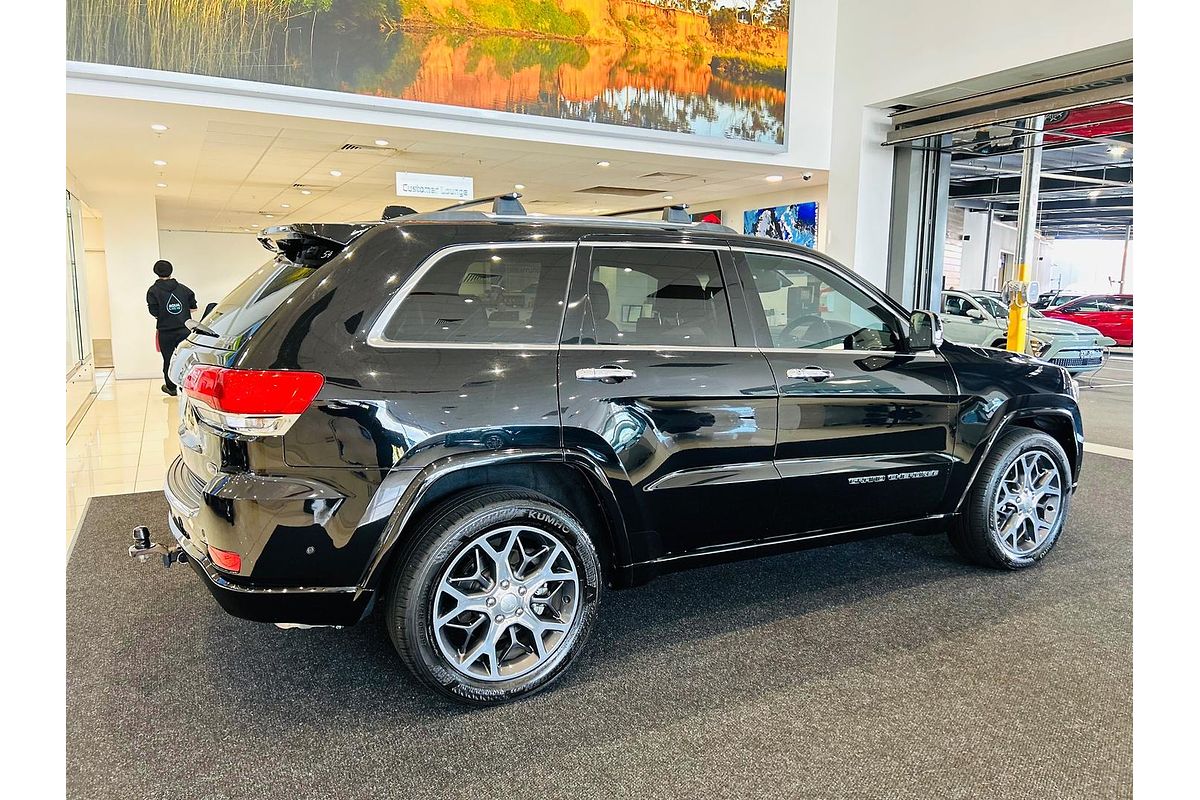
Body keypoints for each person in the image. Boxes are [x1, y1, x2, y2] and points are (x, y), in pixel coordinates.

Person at [146, 259, 197, 396]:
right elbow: (193, 307)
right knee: (186, 359)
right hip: (184, 330)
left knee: (168, 359)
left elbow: (154, 312)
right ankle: (187, 386)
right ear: (171, 270)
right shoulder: (183, 289)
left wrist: (164, 313)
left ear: (156, 272)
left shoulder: (153, 291)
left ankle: (171, 387)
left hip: (165, 332)